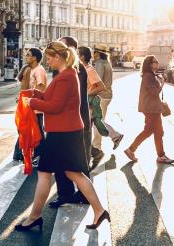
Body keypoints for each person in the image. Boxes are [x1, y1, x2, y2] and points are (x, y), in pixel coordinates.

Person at [15, 40, 110, 231]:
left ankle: (34, 216)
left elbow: (55, 106)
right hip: (66, 131)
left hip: (62, 133)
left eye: (49, 58)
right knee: (72, 172)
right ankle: (100, 211)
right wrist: (36, 94)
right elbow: (54, 99)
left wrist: (33, 102)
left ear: (58, 57)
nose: (48, 62)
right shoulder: (67, 74)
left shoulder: (66, 76)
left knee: (45, 172)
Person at [48, 36, 93, 208]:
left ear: (70, 49)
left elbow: (70, 98)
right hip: (64, 121)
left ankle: (83, 194)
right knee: (62, 161)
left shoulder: (75, 68)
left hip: (73, 121)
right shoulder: (62, 67)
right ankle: (65, 194)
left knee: (77, 161)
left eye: (61, 46)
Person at [123, 55, 174, 164]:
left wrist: (159, 80)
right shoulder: (148, 76)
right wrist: (162, 83)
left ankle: (131, 150)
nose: (157, 63)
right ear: (150, 64)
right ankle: (161, 156)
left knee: (149, 131)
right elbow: (154, 92)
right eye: (155, 61)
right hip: (151, 108)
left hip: (151, 108)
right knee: (158, 131)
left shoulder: (151, 75)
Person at [78, 46, 124, 161]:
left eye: (95, 52)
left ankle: (97, 146)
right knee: (97, 121)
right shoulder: (107, 63)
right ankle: (111, 138)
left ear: (98, 53)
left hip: (100, 96)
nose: (93, 54)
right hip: (106, 95)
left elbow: (98, 83)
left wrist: (86, 94)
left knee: (96, 122)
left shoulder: (97, 65)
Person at [13, 48, 49, 162]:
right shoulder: (32, 69)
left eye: (28, 55)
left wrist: (31, 101)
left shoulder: (39, 70)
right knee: (27, 130)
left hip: (36, 107)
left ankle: (41, 155)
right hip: (30, 106)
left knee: (38, 132)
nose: (26, 57)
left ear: (34, 58)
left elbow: (41, 88)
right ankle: (26, 154)